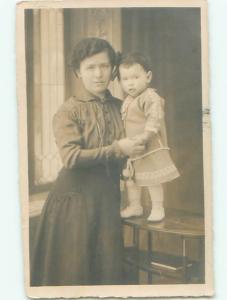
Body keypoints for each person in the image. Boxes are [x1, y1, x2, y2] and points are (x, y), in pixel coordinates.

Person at [30, 38, 145, 286]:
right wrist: (117, 148)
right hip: (74, 203)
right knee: (75, 274)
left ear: (113, 69)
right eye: (90, 67)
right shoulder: (68, 111)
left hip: (107, 201)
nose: (98, 74)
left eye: (104, 66)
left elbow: (133, 148)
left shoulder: (123, 106)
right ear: (78, 72)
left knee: (106, 274)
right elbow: (70, 157)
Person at [118, 52, 180, 222]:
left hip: (149, 146)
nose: (130, 83)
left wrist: (146, 135)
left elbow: (155, 117)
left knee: (152, 179)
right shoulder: (128, 100)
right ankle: (135, 205)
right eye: (125, 79)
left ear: (148, 76)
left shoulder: (150, 97)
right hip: (134, 148)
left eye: (135, 77)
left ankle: (158, 207)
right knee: (131, 179)